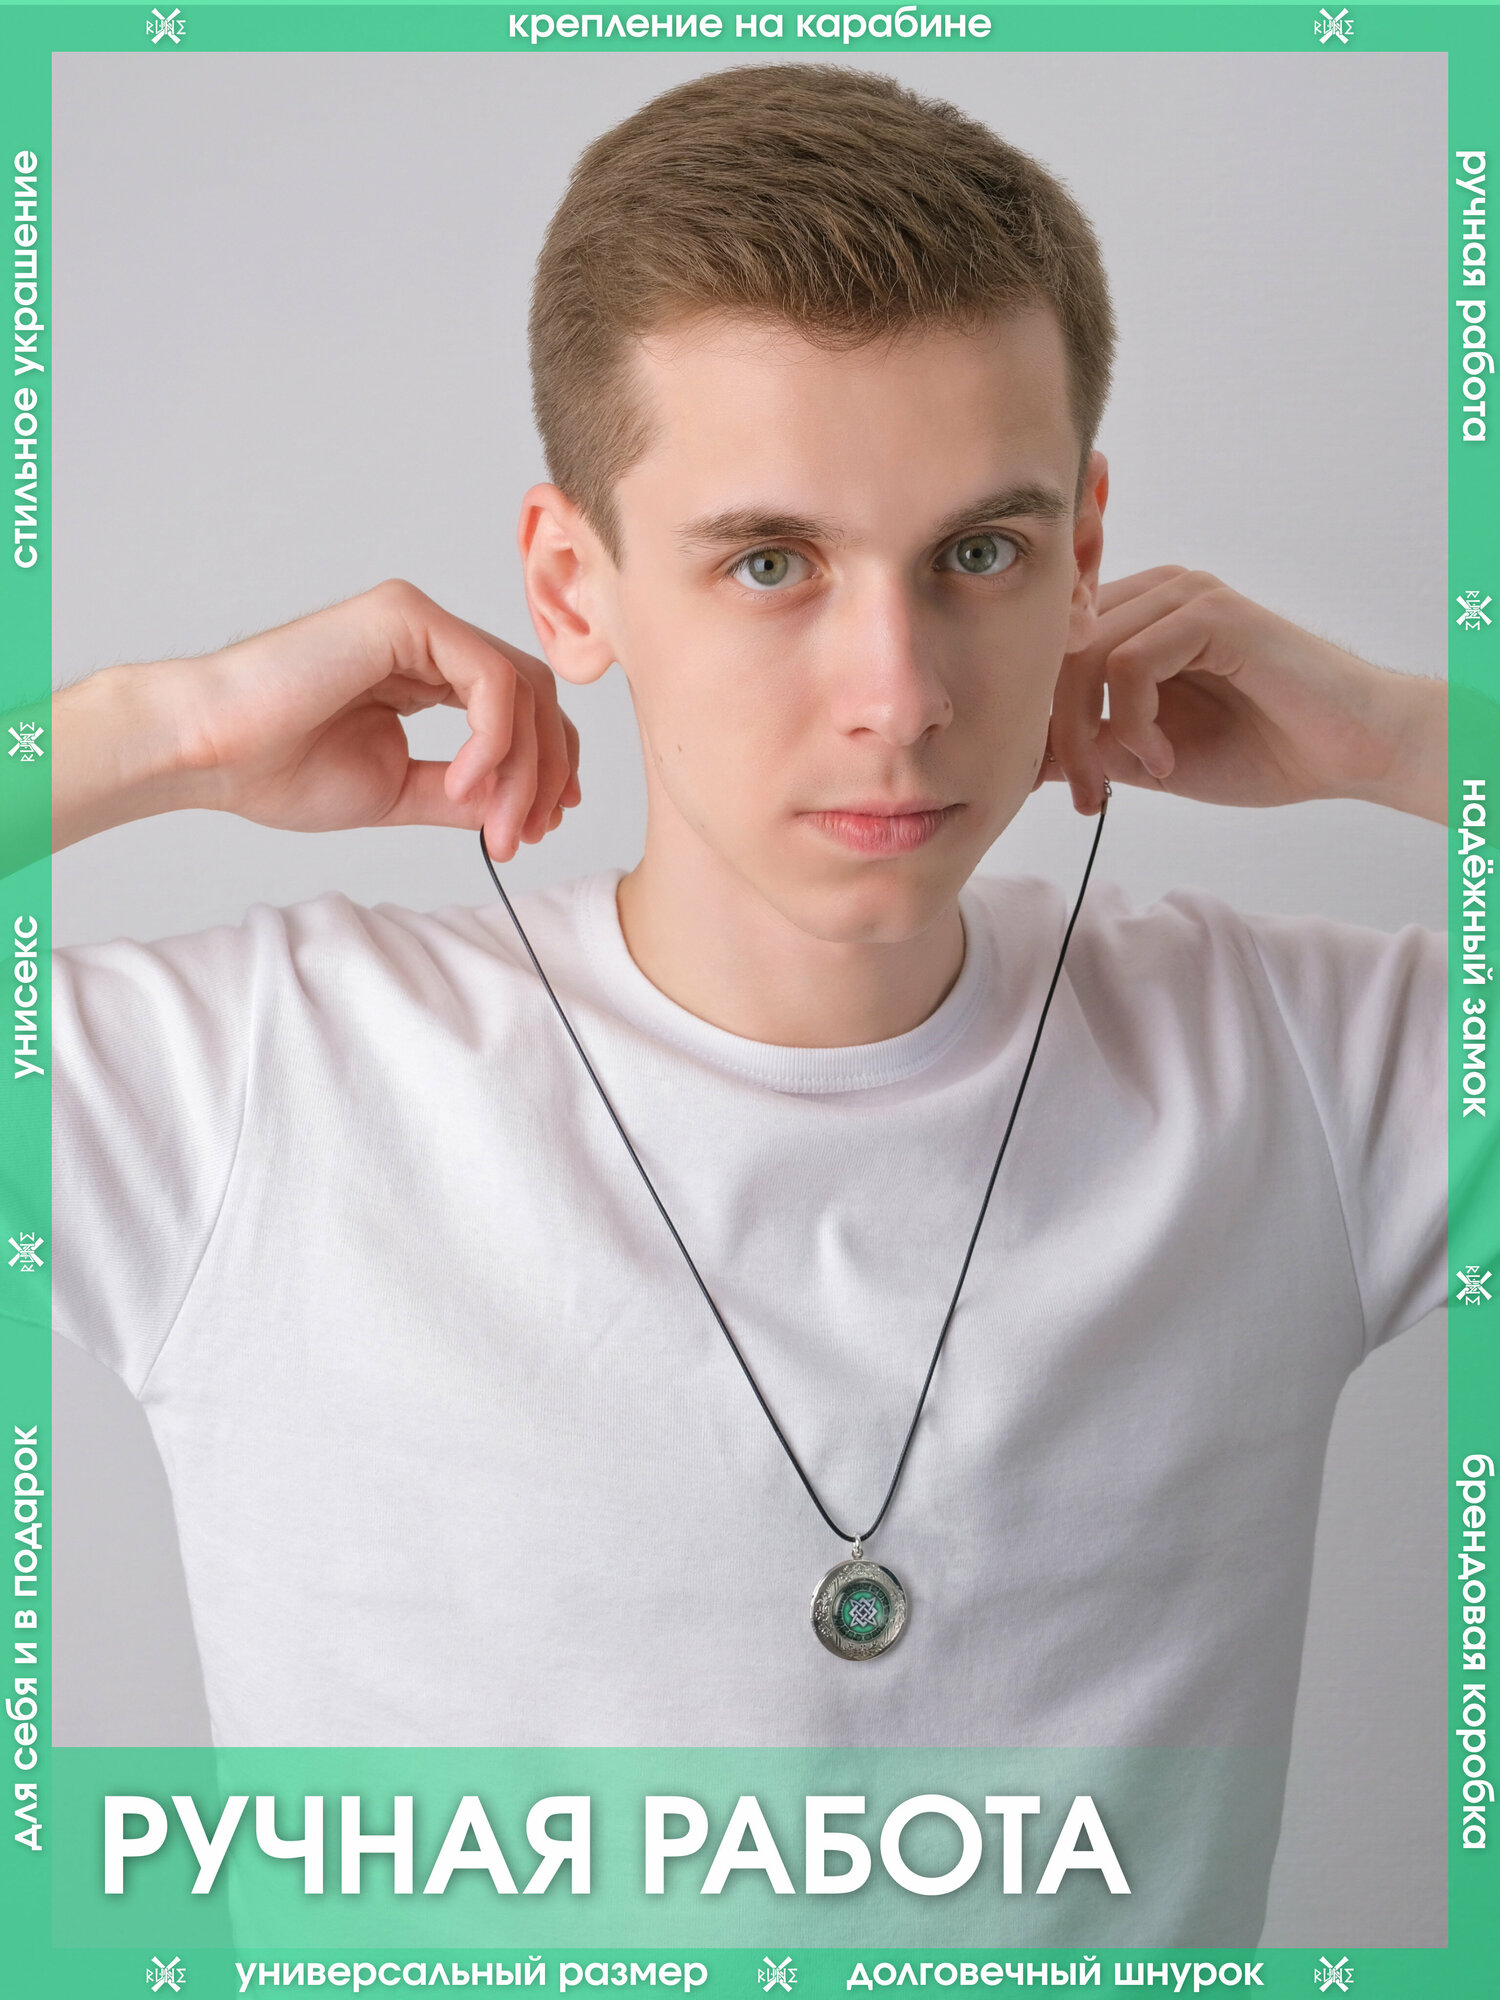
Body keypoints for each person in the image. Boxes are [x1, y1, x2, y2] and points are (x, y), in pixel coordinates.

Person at [45, 65, 1444, 1944]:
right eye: (770, 563)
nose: (899, 693)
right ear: (574, 584)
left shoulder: (1306, 1074)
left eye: (981, 553)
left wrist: (1412, 740)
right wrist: (159, 730)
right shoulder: (255, 1088)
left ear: (1086, 553)